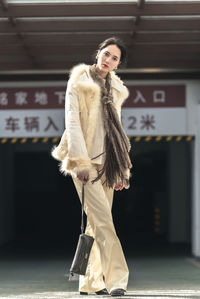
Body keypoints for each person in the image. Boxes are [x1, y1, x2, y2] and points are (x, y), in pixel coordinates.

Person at [52, 37, 132, 297]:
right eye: (106, 54)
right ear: (98, 53)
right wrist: (80, 162)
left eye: (114, 58)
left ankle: (90, 283)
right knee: (105, 222)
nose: (108, 60)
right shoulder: (79, 80)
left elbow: (117, 131)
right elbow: (72, 121)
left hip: (108, 162)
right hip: (85, 162)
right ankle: (118, 279)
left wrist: (120, 169)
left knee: (96, 223)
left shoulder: (115, 90)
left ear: (119, 64)